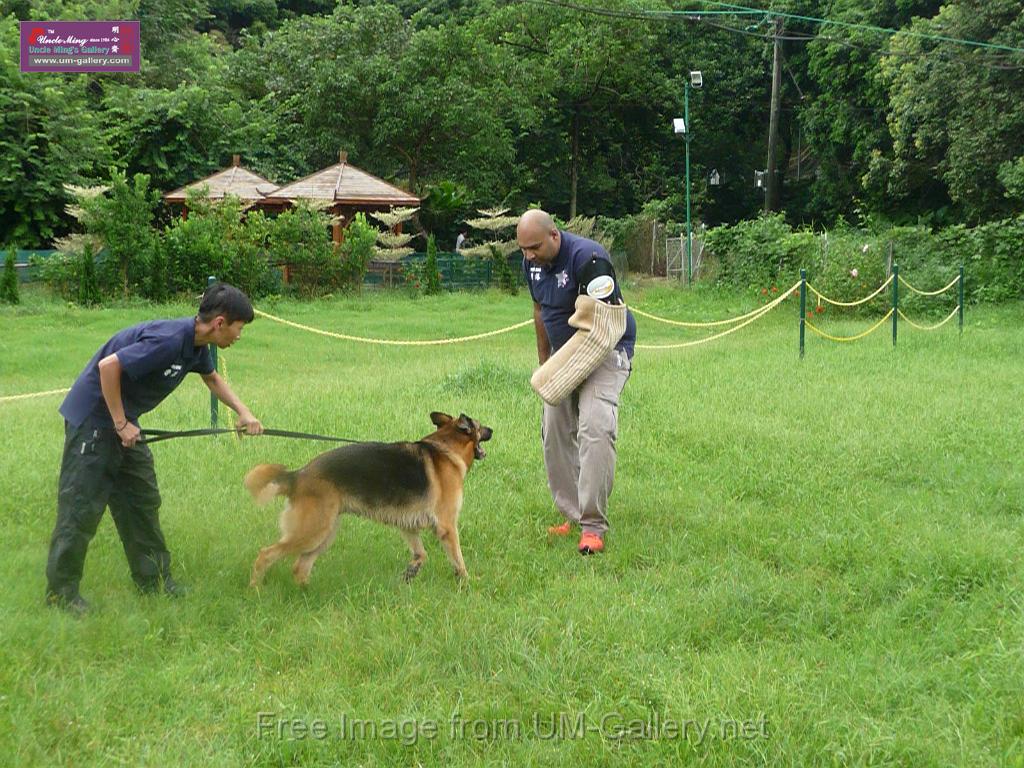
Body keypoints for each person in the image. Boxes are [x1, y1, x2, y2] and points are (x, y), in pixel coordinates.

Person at [44, 282, 264, 614]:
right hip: (94, 420)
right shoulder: (169, 340)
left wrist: (244, 413)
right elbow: (109, 367)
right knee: (81, 506)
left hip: (122, 423)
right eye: (239, 327)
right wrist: (120, 423)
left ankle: (155, 581)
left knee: (141, 500)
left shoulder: (195, 345)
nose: (239, 335)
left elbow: (212, 378)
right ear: (220, 323)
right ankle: (60, 594)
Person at [518, 209, 636, 555]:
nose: (528, 256)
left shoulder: (590, 258)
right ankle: (571, 513)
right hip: (564, 355)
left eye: (534, 247)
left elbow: (604, 327)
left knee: (595, 427)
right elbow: (539, 310)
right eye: (523, 249)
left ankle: (593, 526)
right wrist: (547, 365)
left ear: (555, 235)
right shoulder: (532, 263)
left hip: (605, 351)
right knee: (554, 428)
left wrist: (571, 370)